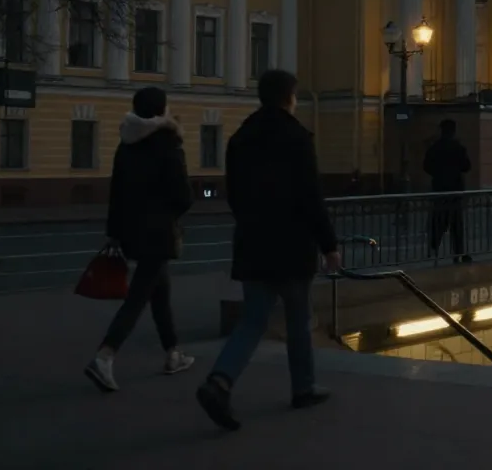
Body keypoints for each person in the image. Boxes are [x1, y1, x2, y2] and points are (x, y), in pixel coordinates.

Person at [196, 70, 340, 432]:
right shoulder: (297, 138)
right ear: (289, 97)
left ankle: (220, 380)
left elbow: (235, 194)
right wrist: (329, 246)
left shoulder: (241, 138)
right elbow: (311, 197)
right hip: (292, 244)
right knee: (298, 320)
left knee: (252, 321)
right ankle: (303, 388)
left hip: (254, 242)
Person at [85, 87, 195, 392]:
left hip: (130, 230)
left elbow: (116, 192)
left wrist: (114, 232)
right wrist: (172, 214)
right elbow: (183, 196)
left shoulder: (127, 143)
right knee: (138, 297)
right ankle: (105, 356)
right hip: (158, 232)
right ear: (162, 111)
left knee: (160, 291)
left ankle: (173, 352)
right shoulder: (168, 143)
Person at [423, 118, 472, 263]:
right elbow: (466, 166)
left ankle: (434, 250)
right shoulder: (458, 148)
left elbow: (426, 166)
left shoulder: (434, 147)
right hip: (455, 190)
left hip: (439, 189)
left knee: (439, 221)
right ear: (453, 131)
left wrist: (438, 173)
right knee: (456, 224)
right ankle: (458, 253)